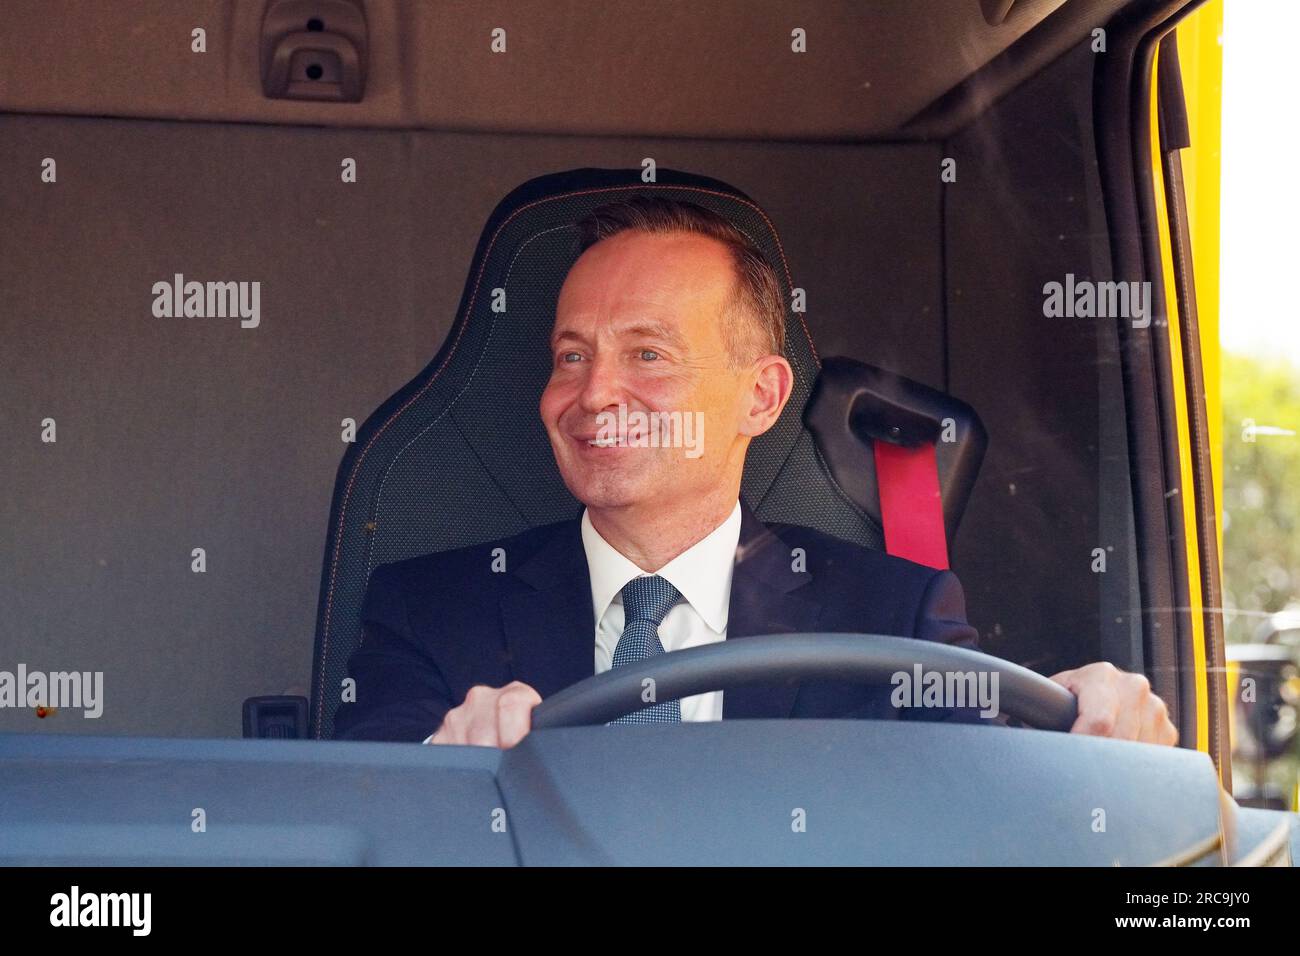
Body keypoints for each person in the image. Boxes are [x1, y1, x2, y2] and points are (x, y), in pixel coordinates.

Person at [332, 196, 1178, 750]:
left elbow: (998, 798)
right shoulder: (427, 612)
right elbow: (369, 820)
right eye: (570, 355)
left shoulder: (894, 619)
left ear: (762, 396)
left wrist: (1097, 732)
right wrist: (440, 778)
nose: (592, 395)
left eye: (647, 354)